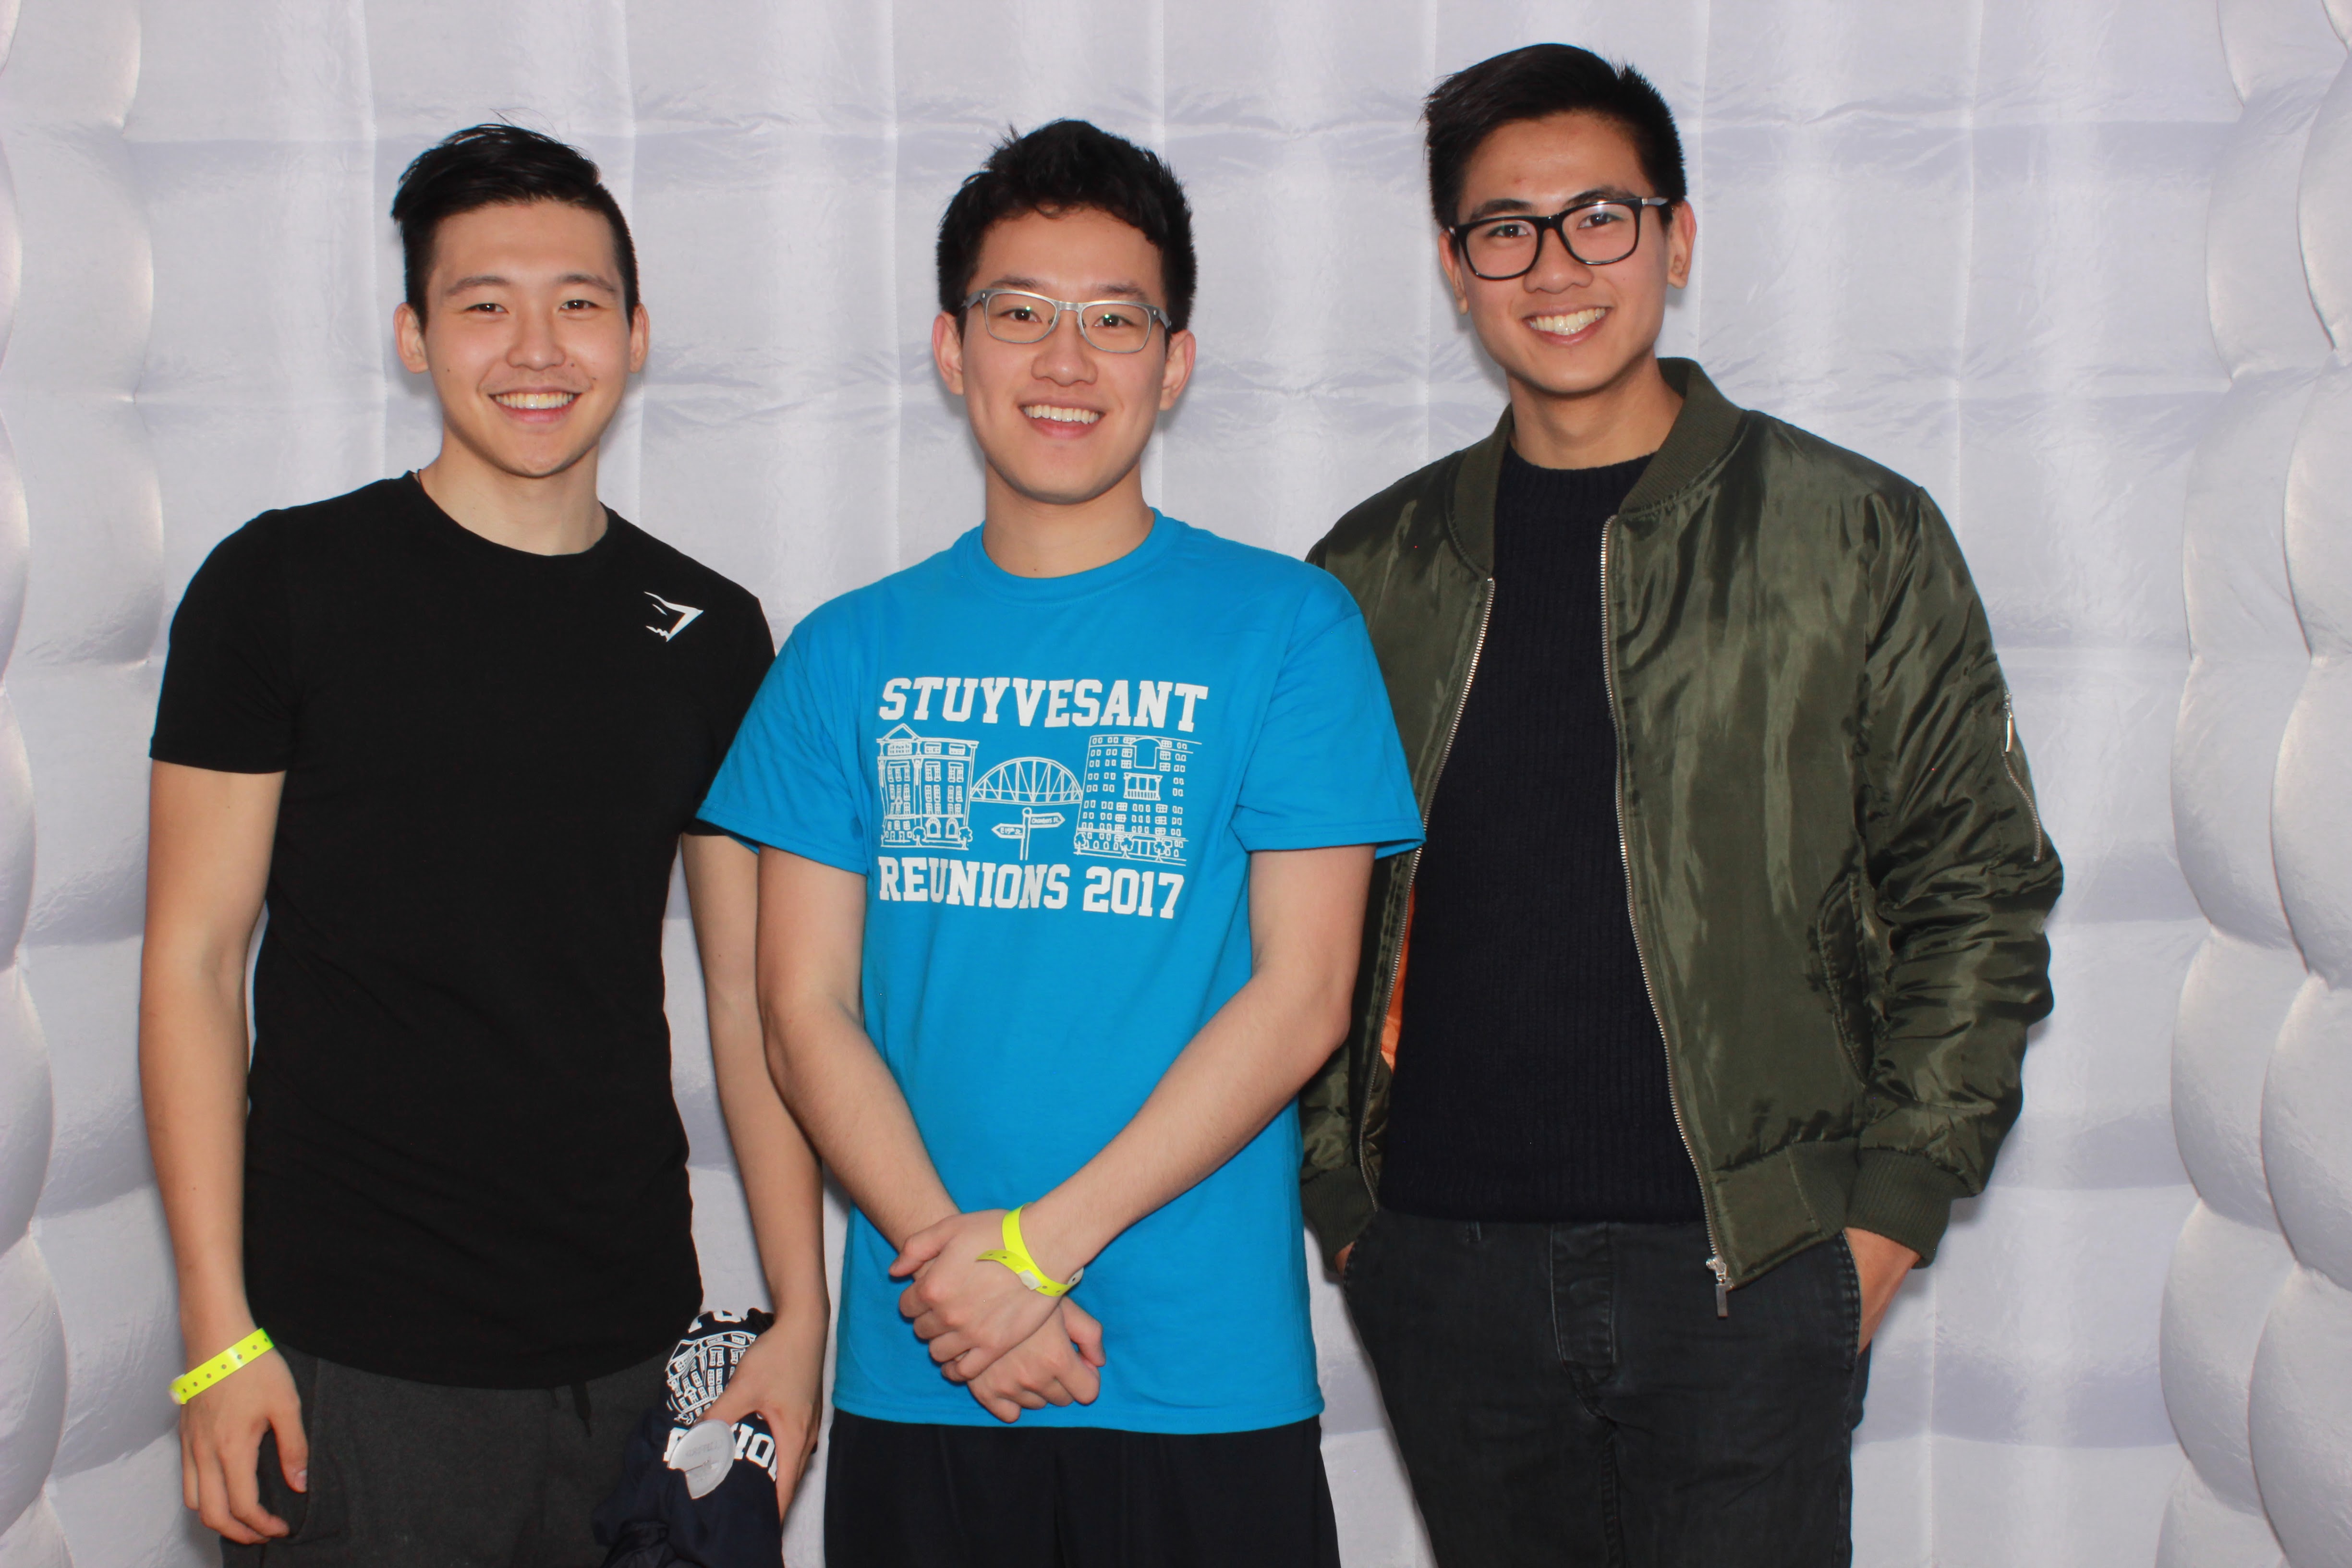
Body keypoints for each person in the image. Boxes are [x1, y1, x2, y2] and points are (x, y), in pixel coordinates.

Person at [1301, 44, 2064, 1567]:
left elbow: (1975, 891)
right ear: (1455, 266)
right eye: (1504, 228)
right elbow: (1307, 910)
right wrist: (1346, 1199)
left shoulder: (1851, 531)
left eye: (1599, 215)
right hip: (1443, 1262)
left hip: (1752, 1262)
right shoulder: (1370, 570)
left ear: (1676, 236)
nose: (1554, 266)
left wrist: (1880, 1221)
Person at [695, 119, 1423, 1568]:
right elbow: (800, 1007)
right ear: (952, 348)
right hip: (928, 1365)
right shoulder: (845, 651)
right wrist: (963, 1280)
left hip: (1202, 1376)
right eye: (1020, 313)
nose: (1066, 361)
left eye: (1115, 320)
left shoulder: (1289, 628)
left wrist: (1034, 1251)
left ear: (1176, 360)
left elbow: (1302, 997)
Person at [140, 124, 827, 1564]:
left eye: (578, 302)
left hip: (632, 1338)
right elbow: (195, 961)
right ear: (414, 335)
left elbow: (752, 997)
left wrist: (799, 1309)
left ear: (635, 334)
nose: (536, 348)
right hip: (347, 1355)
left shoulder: (709, 630)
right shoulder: (283, 583)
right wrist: (216, 1332)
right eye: (483, 303)